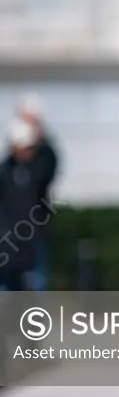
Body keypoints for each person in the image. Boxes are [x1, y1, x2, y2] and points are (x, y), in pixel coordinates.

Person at [16, 94, 59, 290]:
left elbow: (46, 176)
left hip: (34, 229)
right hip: (9, 231)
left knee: (36, 280)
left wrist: (40, 142)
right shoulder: (10, 164)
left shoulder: (44, 154)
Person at [0, 118, 47, 291]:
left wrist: (42, 133)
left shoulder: (36, 170)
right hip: (7, 241)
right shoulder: (4, 172)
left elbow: (51, 164)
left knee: (32, 287)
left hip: (30, 241)